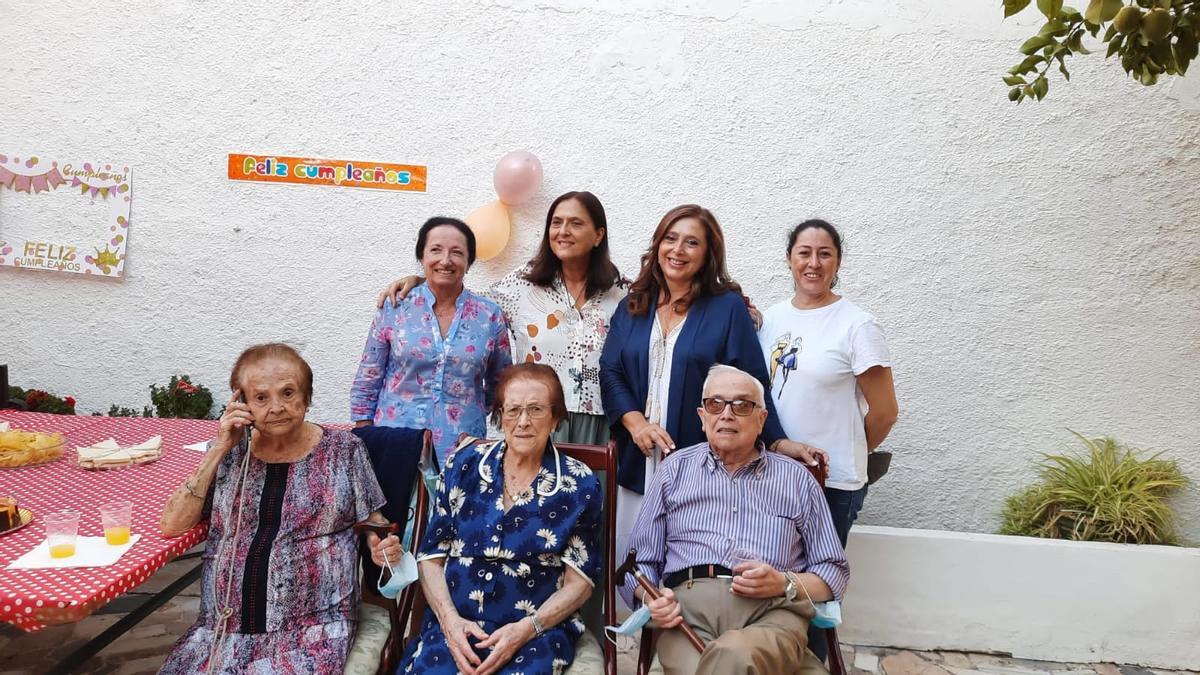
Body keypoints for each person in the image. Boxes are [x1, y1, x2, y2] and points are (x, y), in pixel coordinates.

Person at [159, 343, 400, 674]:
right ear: (240, 403)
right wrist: (220, 448)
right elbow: (173, 524)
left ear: (307, 397)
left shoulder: (343, 451)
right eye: (260, 398)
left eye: (288, 393)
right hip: (220, 631)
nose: (277, 407)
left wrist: (380, 543)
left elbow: (375, 524)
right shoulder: (229, 454)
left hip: (311, 632)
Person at [598, 204, 821, 558]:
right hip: (637, 457)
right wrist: (635, 422)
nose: (677, 250)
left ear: (707, 254)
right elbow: (610, 371)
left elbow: (752, 381)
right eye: (670, 239)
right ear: (657, 245)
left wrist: (777, 441)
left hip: (698, 464)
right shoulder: (633, 305)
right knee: (633, 560)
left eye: (691, 243)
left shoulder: (726, 309)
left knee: (686, 557)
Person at [621, 364, 849, 675]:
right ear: (703, 417)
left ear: (761, 419)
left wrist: (784, 582)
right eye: (716, 404)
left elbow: (833, 571)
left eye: (742, 405)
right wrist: (651, 597)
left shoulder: (797, 479)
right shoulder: (674, 471)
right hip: (687, 615)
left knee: (734, 656)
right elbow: (634, 566)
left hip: (772, 611)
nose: (727, 414)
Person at [398, 363, 603, 675]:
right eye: (513, 410)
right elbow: (431, 557)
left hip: (535, 633)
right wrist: (451, 624)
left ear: (556, 417)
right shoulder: (463, 465)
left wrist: (526, 629)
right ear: (499, 416)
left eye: (535, 409)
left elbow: (581, 582)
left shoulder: (578, 484)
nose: (523, 422)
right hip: (458, 625)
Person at [377, 192, 627, 445]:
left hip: (602, 421)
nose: (563, 231)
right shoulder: (522, 284)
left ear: (598, 235)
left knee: (594, 485)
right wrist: (422, 281)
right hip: (536, 420)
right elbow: (468, 303)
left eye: (576, 223)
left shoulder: (623, 293)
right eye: (556, 222)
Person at [758, 219, 898, 546]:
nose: (813, 263)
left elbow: (885, 412)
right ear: (789, 258)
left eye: (825, 254)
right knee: (774, 580)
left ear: (837, 261)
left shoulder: (858, 325)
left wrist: (847, 452)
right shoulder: (772, 318)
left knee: (818, 584)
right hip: (773, 475)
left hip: (830, 482)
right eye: (804, 253)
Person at [352, 217, 513, 462]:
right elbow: (369, 375)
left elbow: (501, 381)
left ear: (469, 262)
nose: (445, 260)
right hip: (395, 437)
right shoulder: (395, 306)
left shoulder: (489, 315)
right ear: (422, 257)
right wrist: (366, 434)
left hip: (463, 442)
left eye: (457, 252)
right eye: (435, 250)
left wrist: (471, 409)